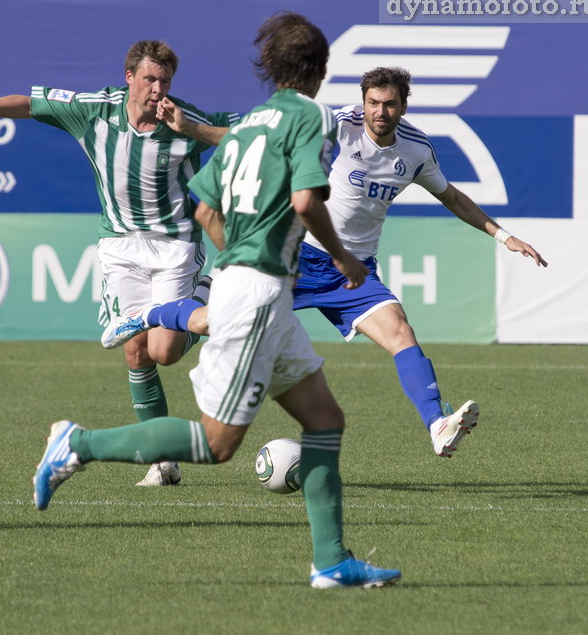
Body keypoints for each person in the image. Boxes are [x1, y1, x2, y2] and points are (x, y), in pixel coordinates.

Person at [33, 11, 402, 589]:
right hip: (258, 296)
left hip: (261, 293)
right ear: (320, 69)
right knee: (216, 442)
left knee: (326, 418)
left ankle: (331, 562)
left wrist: (242, 260)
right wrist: (342, 257)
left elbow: (204, 208)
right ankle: (75, 444)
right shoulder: (312, 116)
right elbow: (307, 203)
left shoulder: (254, 123)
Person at [108, 66, 549, 459]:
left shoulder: (415, 150)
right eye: (373, 103)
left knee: (400, 331)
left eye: (389, 104)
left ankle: (437, 424)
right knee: (204, 326)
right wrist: (192, 128)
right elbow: (256, 141)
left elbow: (450, 195)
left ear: (402, 106)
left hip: (352, 274)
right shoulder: (339, 126)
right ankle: (145, 314)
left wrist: (503, 235)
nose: (380, 112)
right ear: (363, 103)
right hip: (294, 256)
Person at [0, 41, 239, 486]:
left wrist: (192, 129)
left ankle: (211, 287)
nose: (158, 89)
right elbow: (31, 104)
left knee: (165, 351)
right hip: (119, 246)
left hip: (174, 246)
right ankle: (161, 461)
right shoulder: (94, 111)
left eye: (166, 81)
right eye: (151, 79)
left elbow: (252, 137)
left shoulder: (183, 117)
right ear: (130, 78)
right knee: (135, 350)